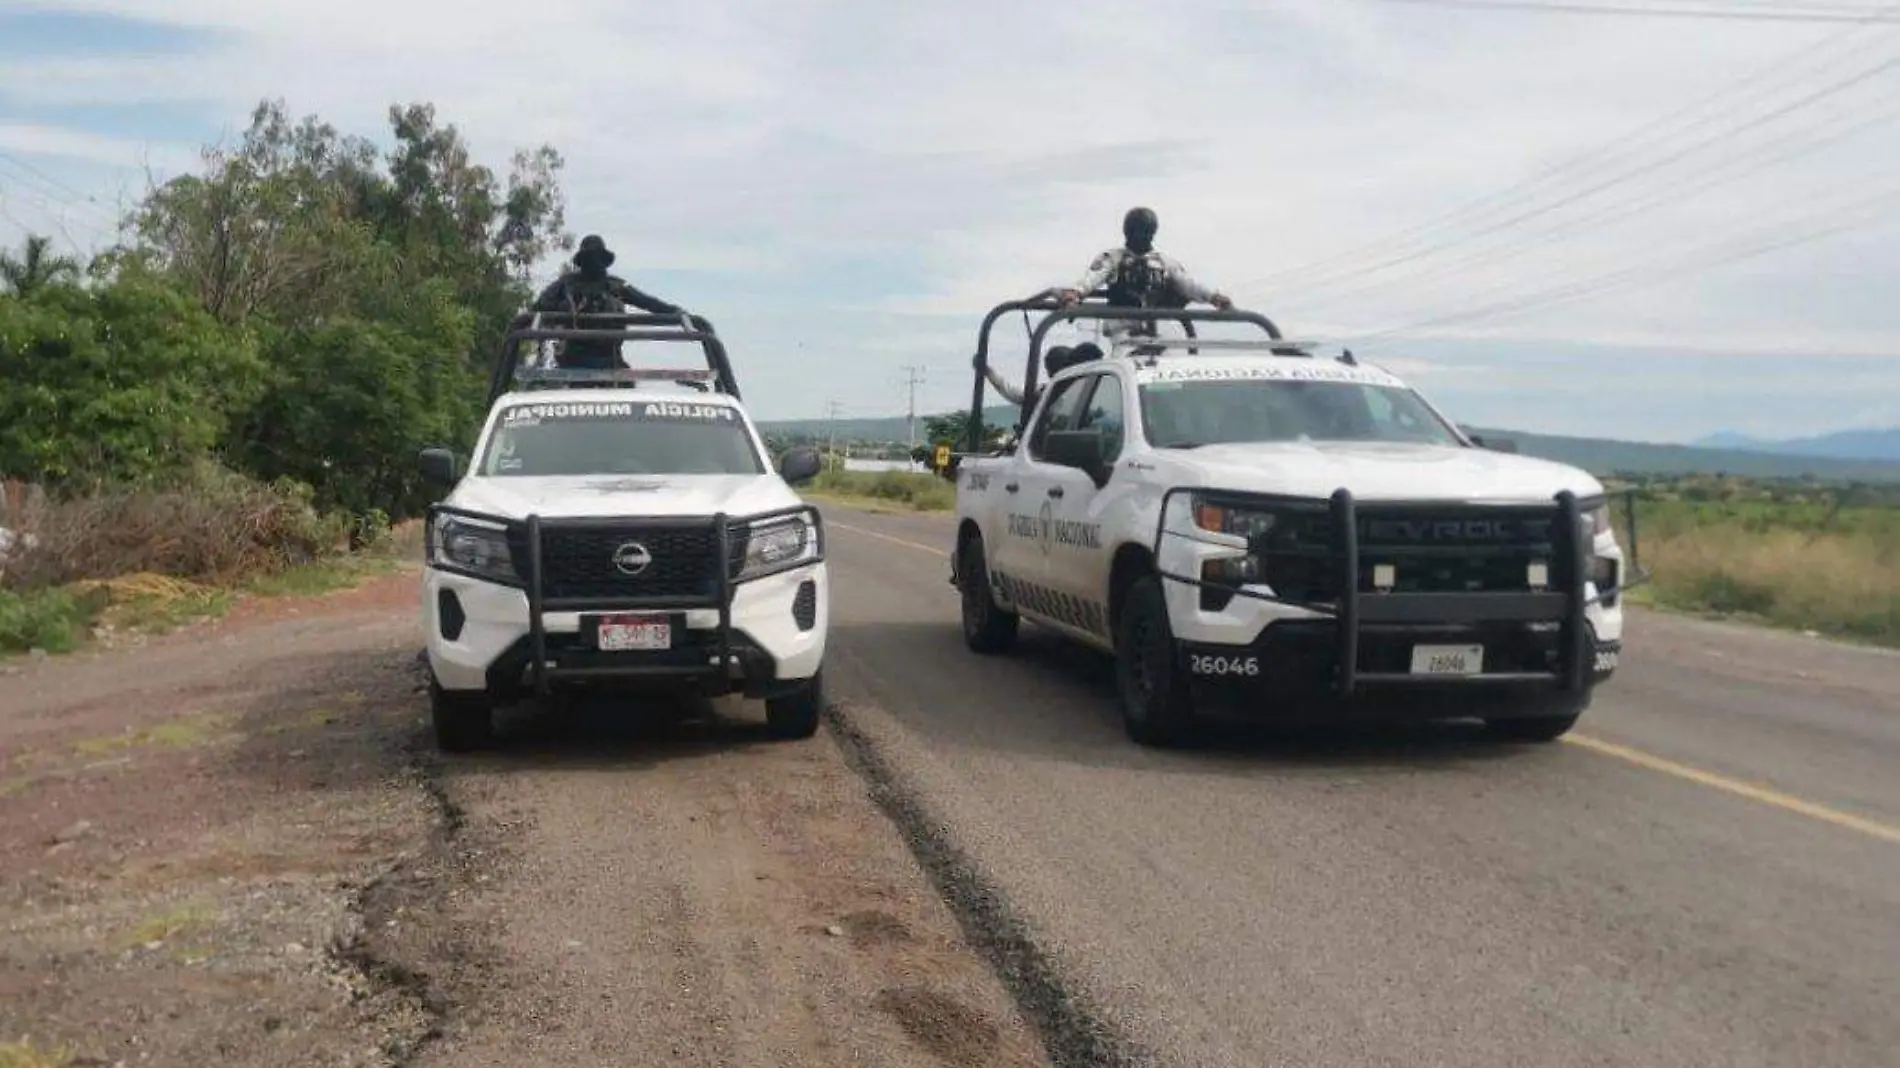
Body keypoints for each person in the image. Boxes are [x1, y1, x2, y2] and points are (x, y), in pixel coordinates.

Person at [1054, 207, 1232, 341]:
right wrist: (1076, 293)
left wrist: (1213, 297)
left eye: (1146, 232)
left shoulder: (1164, 262)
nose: (1140, 236)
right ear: (1127, 232)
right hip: (1123, 330)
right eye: (1136, 231)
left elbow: (1188, 284)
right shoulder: (1113, 258)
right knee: (1128, 362)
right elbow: (1093, 277)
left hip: (1160, 330)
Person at [531, 235, 685, 369]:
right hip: (573, 359)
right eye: (588, 257)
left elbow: (646, 301)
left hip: (609, 359)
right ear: (582, 260)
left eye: (596, 256)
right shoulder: (566, 284)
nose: (593, 261)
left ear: (604, 260)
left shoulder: (615, 285)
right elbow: (538, 308)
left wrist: (674, 312)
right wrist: (564, 310)